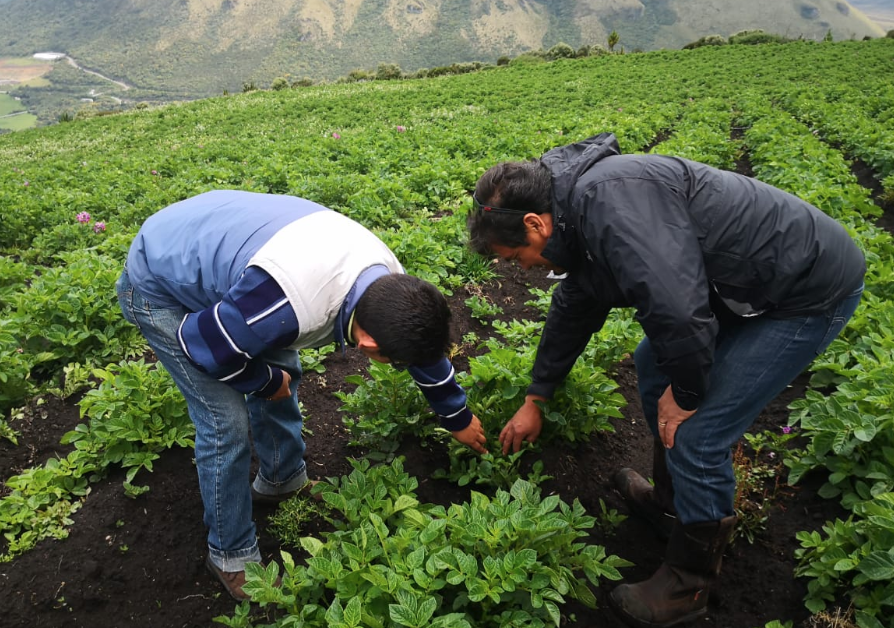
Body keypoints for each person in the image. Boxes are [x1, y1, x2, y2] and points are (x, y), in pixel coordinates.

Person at [467, 133, 864, 627]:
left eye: (513, 257)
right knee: (653, 363)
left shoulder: (609, 203)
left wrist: (689, 394)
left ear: (534, 224)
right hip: (748, 283)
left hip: (806, 290)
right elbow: (576, 304)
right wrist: (536, 395)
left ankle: (688, 585)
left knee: (699, 433)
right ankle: (672, 506)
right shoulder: (575, 211)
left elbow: (678, 311)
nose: (521, 268)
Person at [117, 190, 487, 601]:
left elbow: (418, 340)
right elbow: (203, 345)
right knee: (226, 423)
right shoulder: (289, 302)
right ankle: (230, 556)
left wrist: (456, 416)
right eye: (392, 361)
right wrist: (260, 381)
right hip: (161, 284)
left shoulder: (388, 280)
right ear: (367, 345)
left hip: (236, 258)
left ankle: (281, 479)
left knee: (281, 368)